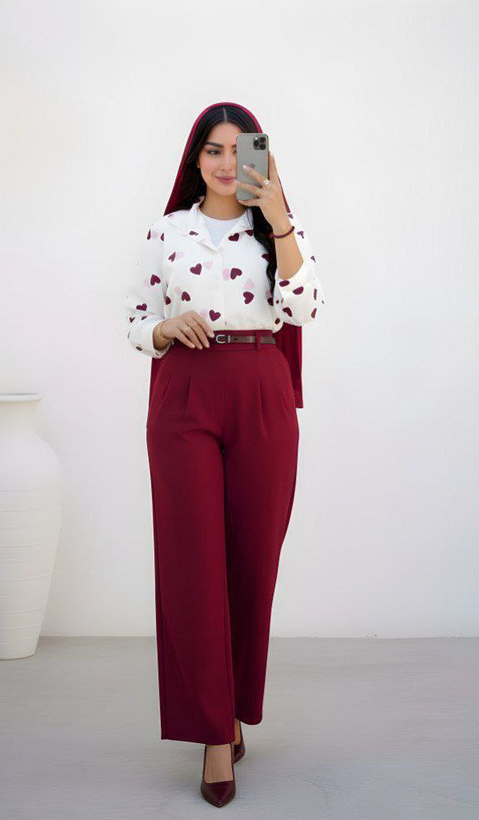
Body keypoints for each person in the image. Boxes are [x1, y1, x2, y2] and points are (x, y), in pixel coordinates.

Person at [125, 101, 324, 807]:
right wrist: (164, 328)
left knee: (250, 563)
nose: (225, 163)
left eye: (240, 151)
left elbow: (304, 307)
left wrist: (278, 217)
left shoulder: (277, 229)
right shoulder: (168, 230)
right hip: (185, 392)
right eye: (213, 149)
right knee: (192, 564)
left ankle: (235, 707)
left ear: (259, 160)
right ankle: (214, 733)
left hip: (260, 390)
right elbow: (136, 319)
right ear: (196, 158)